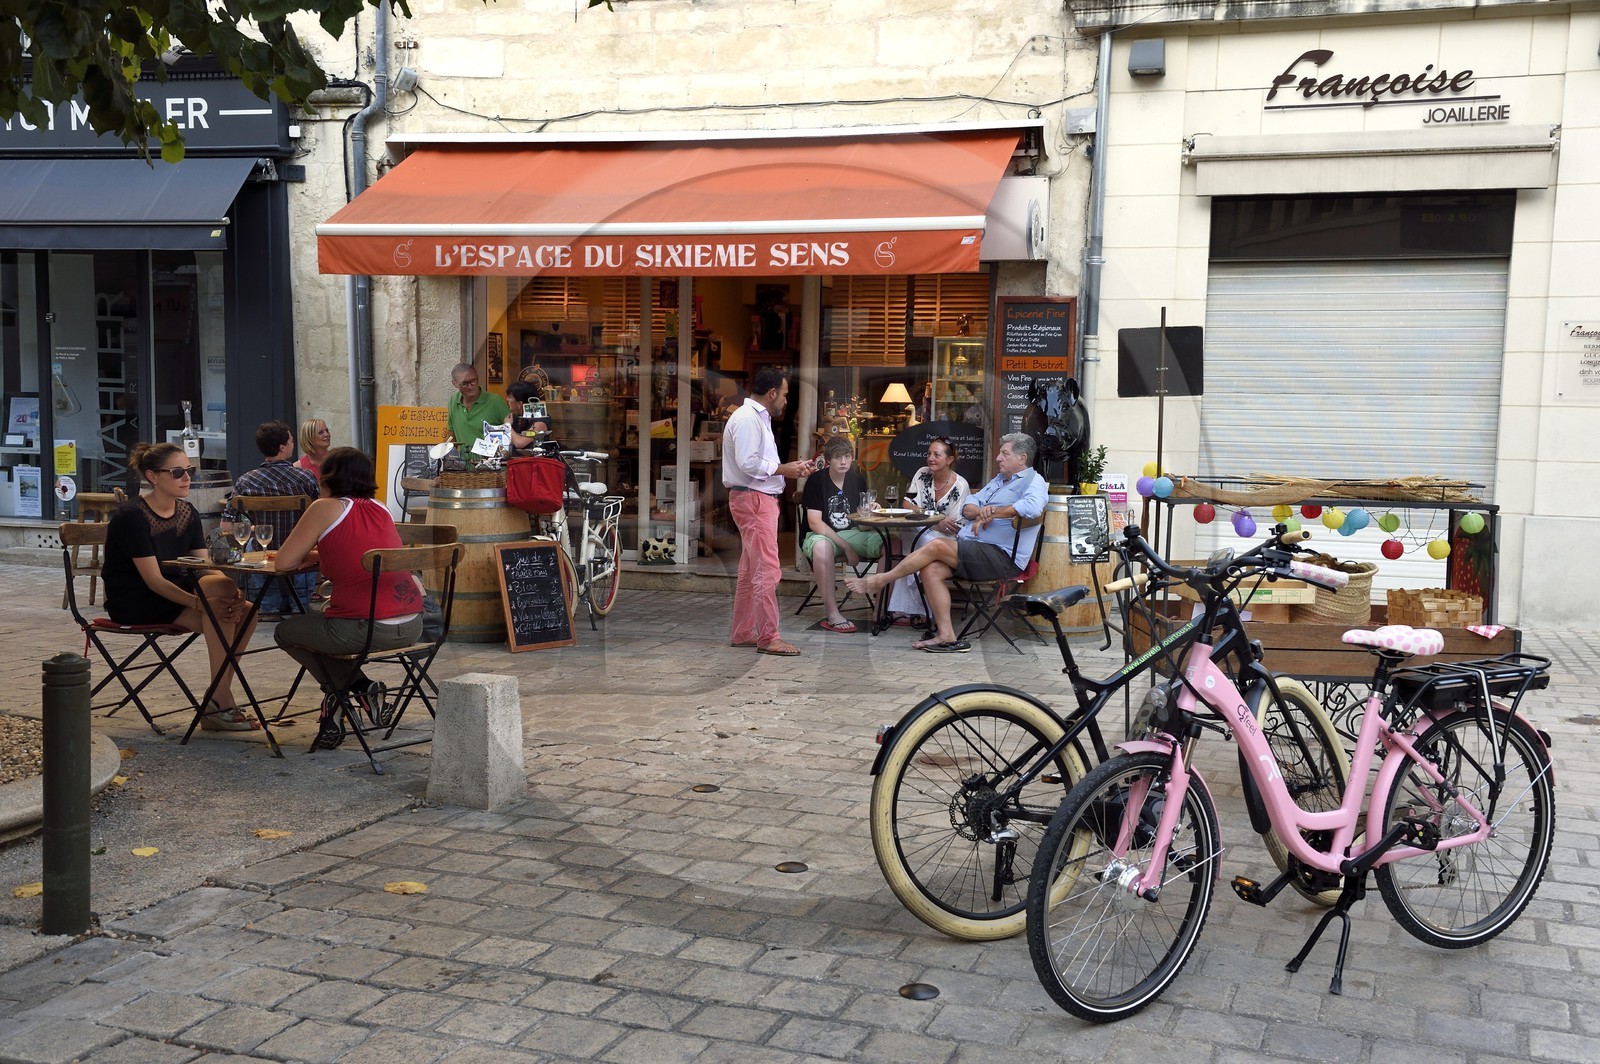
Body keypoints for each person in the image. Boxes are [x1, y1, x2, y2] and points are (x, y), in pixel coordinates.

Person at [273, 447, 425, 748]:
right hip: (411, 625)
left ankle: (354, 688)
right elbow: (358, 551)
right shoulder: (380, 508)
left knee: (288, 631)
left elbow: (283, 563)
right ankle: (343, 699)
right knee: (325, 631)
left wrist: (307, 555)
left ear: (327, 477)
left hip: (362, 628)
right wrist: (321, 553)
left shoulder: (324, 507)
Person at [101, 442, 259, 730]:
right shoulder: (132, 516)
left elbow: (202, 569)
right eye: (177, 472)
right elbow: (152, 580)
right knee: (218, 610)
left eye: (189, 470)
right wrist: (201, 603)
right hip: (135, 598)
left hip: (174, 590)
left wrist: (230, 590)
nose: (187, 477)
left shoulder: (187, 511)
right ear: (152, 476)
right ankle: (220, 701)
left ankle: (216, 699)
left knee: (244, 608)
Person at [846, 433, 1047, 654]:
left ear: (1022, 458)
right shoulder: (999, 481)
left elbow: (1033, 508)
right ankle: (947, 635)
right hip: (975, 549)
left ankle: (880, 580)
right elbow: (968, 506)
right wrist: (981, 511)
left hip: (1001, 557)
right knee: (930, 569)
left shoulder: (1033, 481)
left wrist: (994, 512)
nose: (998, 458)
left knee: (937, 545)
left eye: (1004, 453)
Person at [722, 368, 818, 656]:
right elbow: (749, 463)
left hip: (753, 497)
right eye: (785, 394)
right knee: (767, 571)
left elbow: (754, 463)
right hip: (755, 500)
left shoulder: (750, 417)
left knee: (750, 570)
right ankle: (769, 637)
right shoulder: (749, 418)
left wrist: (789, 469)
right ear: (772, 393)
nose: (786, 400)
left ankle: (742, 632)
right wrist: (784, 469)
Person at [219, 420, 319, 619]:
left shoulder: (246, 480)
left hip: (261, 558)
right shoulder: (305, 477)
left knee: (251, 547)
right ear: (282, 447)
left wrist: (253, 528)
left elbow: (226, 525)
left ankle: (269, 608)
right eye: (290, 441)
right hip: (300, 557)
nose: (293, 444)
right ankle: (298, 609)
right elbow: (321, 518)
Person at [885, 436, 971, 626]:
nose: (930, 458)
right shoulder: (922, 473)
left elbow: (953, 525)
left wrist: (929, 520)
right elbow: (907, 504)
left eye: (936, 455)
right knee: (910, 533)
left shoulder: (960, 486)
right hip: (924, 530)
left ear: (949, 460)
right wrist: (932, 520)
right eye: (929, 453)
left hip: (948, 540)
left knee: (926, 544)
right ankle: (919, 609)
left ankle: (912, 610)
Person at [800, 437, 883, 633]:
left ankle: (882, 608)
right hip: (820, 535)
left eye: (847, 456)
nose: (843, 462)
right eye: (838, 457)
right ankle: (832, 613)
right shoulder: (816, 481)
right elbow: (815, 523)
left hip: (852, 533)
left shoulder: (857, 480)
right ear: (829, 459)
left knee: (891, 544)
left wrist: (871, 512)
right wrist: (846, 547)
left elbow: (861, 525)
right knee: (822, 547)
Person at [447, 362, 510, 456]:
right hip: (464, 468)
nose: (470, 386)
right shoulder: (453, 400)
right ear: (455, 384)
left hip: (492, 467)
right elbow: (451, 434)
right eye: (464, 383)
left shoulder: (495, 402)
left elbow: (511, 435)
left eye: (473, 381)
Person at [505, 379, 553, 449]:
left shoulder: (540, 422)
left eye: (510, 397)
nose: (507, 400)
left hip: (535, 458)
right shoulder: (515, 418)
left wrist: (508, 426)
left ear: (519, 404)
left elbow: (520, 443)